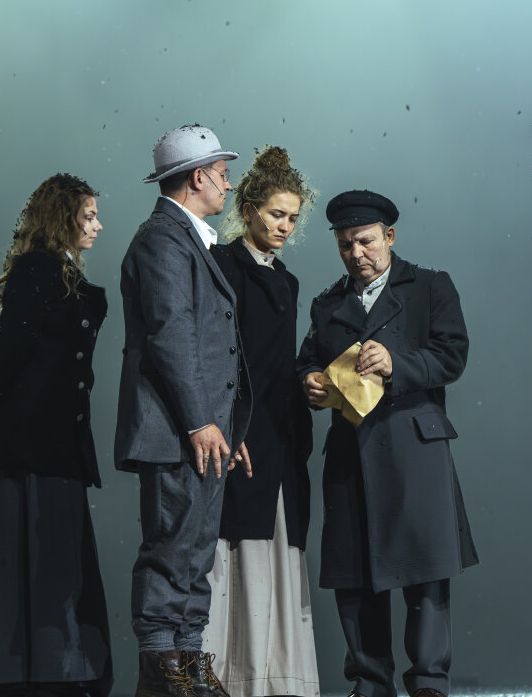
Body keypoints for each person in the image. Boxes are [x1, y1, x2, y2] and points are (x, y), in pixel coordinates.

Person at [295, 190, 477, 697]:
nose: (356, 253)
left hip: (415, 448)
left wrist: (398, 364)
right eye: (345, 244)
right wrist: (308, 381)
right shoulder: (327, 304)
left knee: (426, 571)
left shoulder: (431, 286)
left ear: (390, 237)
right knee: (355, 575)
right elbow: (306, 359)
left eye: (366, 241)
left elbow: (453, 355)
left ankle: (429, 684)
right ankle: (370, 683)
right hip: (350, 453)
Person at [0, 174, 113, 697]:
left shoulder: (57, 271)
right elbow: (10, 345)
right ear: (63, 218)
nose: (98, 226)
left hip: (55, 441)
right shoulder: (38, 268)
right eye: (88, 216)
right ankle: (32, 679)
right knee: (38, 562)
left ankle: (51, 675)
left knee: (51, 563)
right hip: (32, 442)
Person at [115, 124, 253, 697]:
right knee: (173, 547)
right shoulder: (162, 241)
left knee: (196, 552)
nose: (228, 184)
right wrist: (201, 421)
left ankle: (189, 661)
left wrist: (225, 426)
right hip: (175, 430)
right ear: (198, 178)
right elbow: (171, 335)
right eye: (222, 174)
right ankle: (161, 667)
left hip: (198, 428)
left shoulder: (188, 240)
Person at [203, 146, 319, 697]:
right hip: (240, 433)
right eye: (276, 214)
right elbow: (214, 354)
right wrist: (230, 423)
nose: (284, 226)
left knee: (277, 548)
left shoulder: (288, 281)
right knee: (233, 550)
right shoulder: (222, 265)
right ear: (248, 209)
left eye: (292, 218)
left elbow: (278, 361)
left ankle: (275, 682)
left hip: (280, 435)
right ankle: (229, 678)